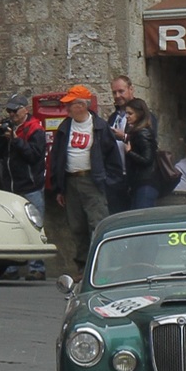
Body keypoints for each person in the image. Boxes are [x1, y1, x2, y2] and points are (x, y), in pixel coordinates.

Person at [45, 85, 119, 281]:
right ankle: (83, 267)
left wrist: (107, 181)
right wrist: (59, 187)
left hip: (93, 180)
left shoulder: (100, 127)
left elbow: (113, 158)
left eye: (70, 104)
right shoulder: (64, 127)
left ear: (81, 105)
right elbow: (57, 157)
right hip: (71, 181)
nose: (66, 108)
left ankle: (101, 266)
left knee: (97, 224)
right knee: (77, 227)